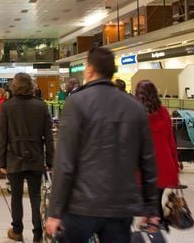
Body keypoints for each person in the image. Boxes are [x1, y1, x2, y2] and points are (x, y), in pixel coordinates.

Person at [46, 47, 159, 242]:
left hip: (81, 204)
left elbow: (65, 161)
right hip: (121, 205)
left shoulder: (77, 103)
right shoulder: (134, 106)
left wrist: (55, 211)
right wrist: (151, 206)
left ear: (89, 70)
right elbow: (148, 160)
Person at [0, 73, 54, 242]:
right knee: (35, 196)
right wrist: (50, 160)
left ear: (14, 86)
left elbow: (2, 136)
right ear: (31, 86)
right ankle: (37, 233)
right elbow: (48, 137)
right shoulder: (41, 106)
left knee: (16, 196)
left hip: (14, 158)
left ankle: (17, 230)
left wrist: (1, 161)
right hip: (35, 157)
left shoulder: (7, 106)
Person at [134, 80, 180, 230]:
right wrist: (175, 163)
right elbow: (171, 140)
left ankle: (147, 227)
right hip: (163, 163)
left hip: (141, 165)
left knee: (144, 202)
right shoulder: (163, 112)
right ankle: (156, 227)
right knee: (157, 201)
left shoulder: (134, 114)